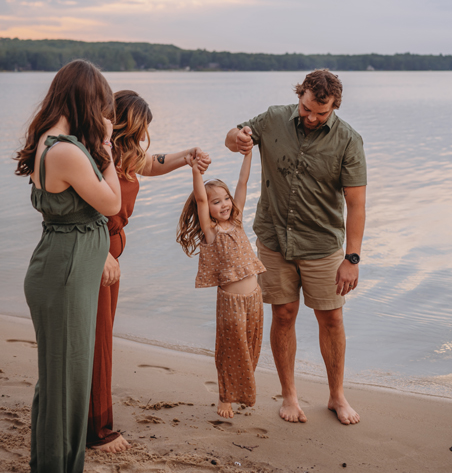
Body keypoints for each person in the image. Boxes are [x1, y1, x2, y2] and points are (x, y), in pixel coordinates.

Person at [225, 69, 367, 425]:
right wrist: (237, 138)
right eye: (307, 109)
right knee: (283, 315)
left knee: (331, 318)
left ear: (335, 106)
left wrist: (352, 258)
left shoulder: (349, 140)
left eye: (322, 112)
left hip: (322, 245)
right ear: (300, 94)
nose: (313, 117)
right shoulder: (273, 118)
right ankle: (289, 395)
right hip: (274, 239)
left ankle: (337, 396)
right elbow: (233, 136)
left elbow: (357, 205)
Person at [15, 59, 121, 473]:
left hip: (62, 268)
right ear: (86, 102)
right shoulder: (67, 151)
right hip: (64, 273)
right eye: (102, 107)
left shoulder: (53, 142)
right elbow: (112, 204)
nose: (105, 118)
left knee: (58, 379)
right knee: (66, 382)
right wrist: (108, 152)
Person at [87, 89, 211, 453]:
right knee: (97, 343)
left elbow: (152, 163)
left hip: (109, 260)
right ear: (128, 123)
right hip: (96, 258)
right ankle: (97, 432)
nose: (145, 137)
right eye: (142, 129)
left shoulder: (122, 155)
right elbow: (83, 209)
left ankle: (92, 420)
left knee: (101, 339)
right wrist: (99, 254)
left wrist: (187, 156)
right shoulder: (98, 155)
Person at [176, 148, 266, 419]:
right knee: (230, 348)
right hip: (231, 302)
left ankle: (242, 389)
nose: (225, 204)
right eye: (218, 202)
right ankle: (225, 396)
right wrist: (195, 171)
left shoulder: (237, 222)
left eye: (226, 198)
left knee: (250, 347)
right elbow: (201, 200)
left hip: (254, 298)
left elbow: (242, 182)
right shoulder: (211, 232)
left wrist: (248, 154)